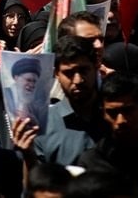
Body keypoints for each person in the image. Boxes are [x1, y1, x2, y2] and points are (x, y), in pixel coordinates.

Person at [33, 35, 106, 166]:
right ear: (56, 74)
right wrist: (28, 155)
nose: (78, 80)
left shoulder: (115, 115)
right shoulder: (43, 124)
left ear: (96, 67)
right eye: (69, 73)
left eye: (84, 70)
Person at [75, 73, 138, 196]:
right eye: (112, 113)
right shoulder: (91, 161)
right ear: (103, 113)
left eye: (128, 110)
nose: (120, 120)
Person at [5, 57, 50, 129]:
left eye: (34, 81)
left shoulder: (35, 105)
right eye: (28, 80)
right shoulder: (5, 95)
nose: (32, 85)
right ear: (16, 78)